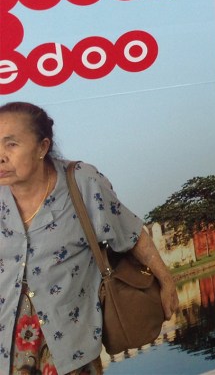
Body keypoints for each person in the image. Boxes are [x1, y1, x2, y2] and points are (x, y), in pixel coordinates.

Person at [0, 101, 179, 375]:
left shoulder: (81, 181)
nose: (1, 156)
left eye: (11, 144)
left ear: (42, 147)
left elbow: (130, 234)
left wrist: (166, 281)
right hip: (6, 350)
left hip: (69, 347)